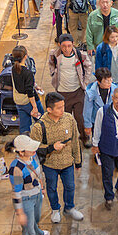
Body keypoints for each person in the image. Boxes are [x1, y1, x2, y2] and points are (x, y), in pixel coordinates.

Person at [30, 91, 84, 222]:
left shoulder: (69, 119)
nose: (63, 110)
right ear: (49, 109)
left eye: (63, 106)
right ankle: (55, 209)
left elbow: (75, 141)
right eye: (59, 108)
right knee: (52, 188)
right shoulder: (39, 127)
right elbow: (33, 149)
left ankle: (69, 208)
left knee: (70, 187)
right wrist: (52, 147)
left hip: (67, 163)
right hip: (50, 165)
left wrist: (78, 162)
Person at [6, 134, 51, 235]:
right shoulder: (16, 169)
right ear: (21, 151)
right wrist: (20, 213)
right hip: (26, 199)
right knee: (27, 229)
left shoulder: (32, 157)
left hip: (36, 195)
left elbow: (38, 174)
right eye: (30, 148)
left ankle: (38, 232)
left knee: (35, 219)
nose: (34, 150)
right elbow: (16, 192)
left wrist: (42, 188)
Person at [49, 33, 92, 143]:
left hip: (77, 92)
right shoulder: (55, 55)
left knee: (80, 118)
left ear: (73, 44)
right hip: (62, 94)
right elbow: (51, 65)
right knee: (64, 120)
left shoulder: (80, 55)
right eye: (63, 46)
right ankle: (67, 139)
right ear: (59, 45)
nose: (66, 49)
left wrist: (85, 83)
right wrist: (54, 74)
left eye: (69, 46)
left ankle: (84, 138)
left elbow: (88, 67)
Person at [9, 46, 42, 135]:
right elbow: (29, 91)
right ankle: (45, 138)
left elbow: (22, 83)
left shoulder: (13, 69)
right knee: (42, 121)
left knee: (24, 125)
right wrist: (35, 107)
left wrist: (35, 85)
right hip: (29, 102)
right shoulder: (28, 73)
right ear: (25, 56)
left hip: (19, 102)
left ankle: (24, 142)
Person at [82, 67, 118, 146]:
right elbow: (87, 110)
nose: (109, 83)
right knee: (97, 141)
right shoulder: (91, 92)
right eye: (106, 81)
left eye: (110, 80)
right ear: (98, 82)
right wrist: (88, 125)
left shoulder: (116, 89)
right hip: (96, 121)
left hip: (111, 120)